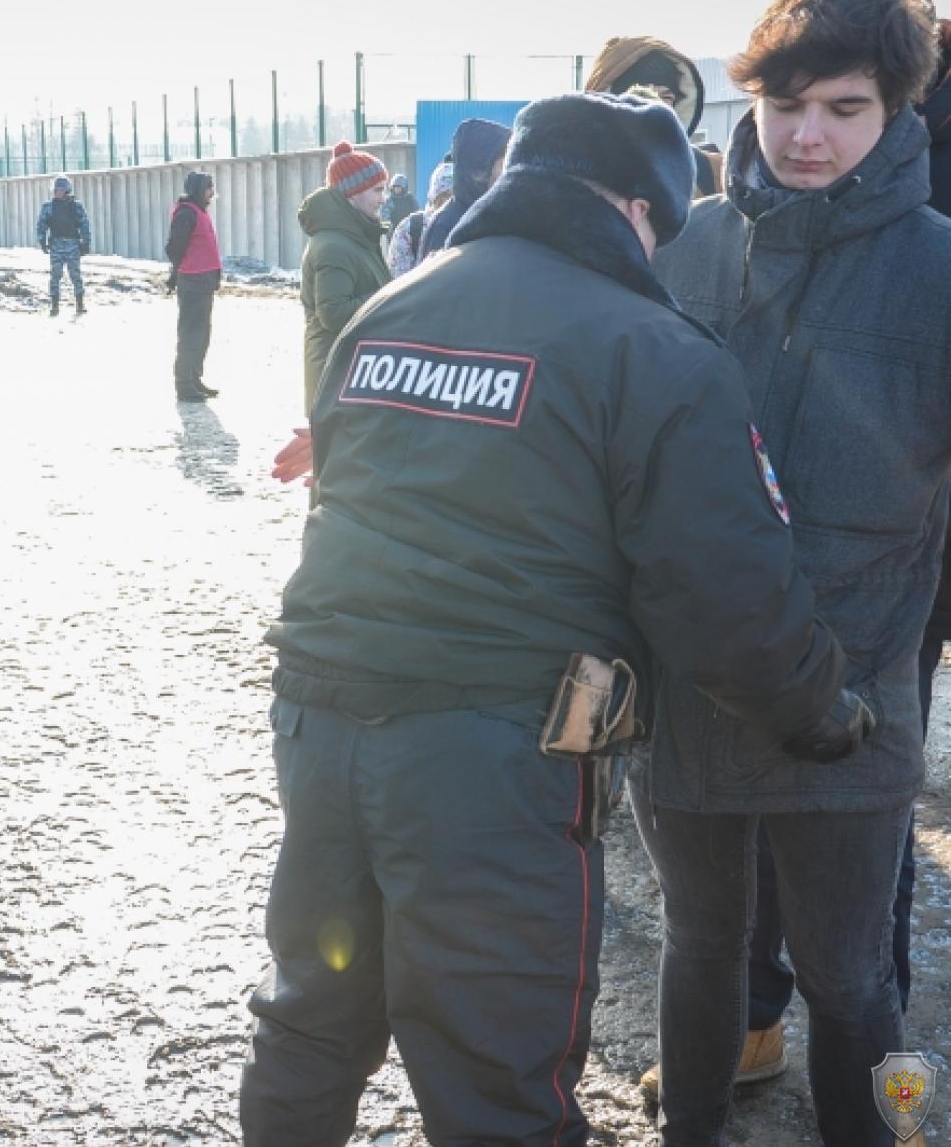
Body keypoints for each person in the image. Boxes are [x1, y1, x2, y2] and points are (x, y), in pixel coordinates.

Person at [238, 91, 867, 1147]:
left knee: (309, 1021)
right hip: (490, 760)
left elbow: (341, 489)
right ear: (634, 210)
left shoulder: (395, 302)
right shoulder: (652, 346)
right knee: (497, 1075)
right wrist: (822, 709)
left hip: (315, 719)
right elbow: (725, 599)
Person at [638, 0, 951, 1144]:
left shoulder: (937, 266)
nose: (808, 135)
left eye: (845, 108)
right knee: (700, 948)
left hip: (853, 694)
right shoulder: (687, 248)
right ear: (748, 104)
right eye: (786, 106)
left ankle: (872, 1132)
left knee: (850, 976)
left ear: (897, 112)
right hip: (691, 689)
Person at [298, 142, 391, 413]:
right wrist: (390, 295)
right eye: (377, 190)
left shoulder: (355, 236)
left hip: (351, 375)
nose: (383, 199)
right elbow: (333, 313)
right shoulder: (334, 245)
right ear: (352, 194)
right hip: (336, 379)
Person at [586, 36, 724, 196]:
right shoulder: (574, 173)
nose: (655, 106)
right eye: (641, 95)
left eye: (666, 97)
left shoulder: (714, 172)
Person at [416, 117, 510, 260]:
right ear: (478, 170)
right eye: (503, 163)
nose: (508, 171)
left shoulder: (488, 216)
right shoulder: (447, 225)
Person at [165, 169, 222, 401]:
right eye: (209, 187)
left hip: (204, 281)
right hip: (193, 281)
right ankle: (183, 384)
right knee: (190, 334)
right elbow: (174, 247)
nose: (212, 192)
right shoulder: (187, 213)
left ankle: (195, 378)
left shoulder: (198, 211)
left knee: (202, 333)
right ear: (199, 189)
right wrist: (177, 273)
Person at [36, 175, 93, 317]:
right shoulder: (48, 207)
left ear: (67, 190)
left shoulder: (76, 207)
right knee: (55, 275)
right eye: (56, 190)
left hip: (73, 245)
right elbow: (41, 224)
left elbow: (84, 225)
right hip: (56, 245)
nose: (57, 192)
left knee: (75, 275)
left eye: (60, 190)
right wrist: (42, 241)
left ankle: (80, 304)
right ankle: (54, 306)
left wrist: (86, 243)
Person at [387, 159, 452, 278]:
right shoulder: (411, 227)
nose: (449, 204)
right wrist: (387, 229)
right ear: (434, 197)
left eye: (455, 198)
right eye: (444, 196)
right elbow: (398, 282)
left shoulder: (472, 228)